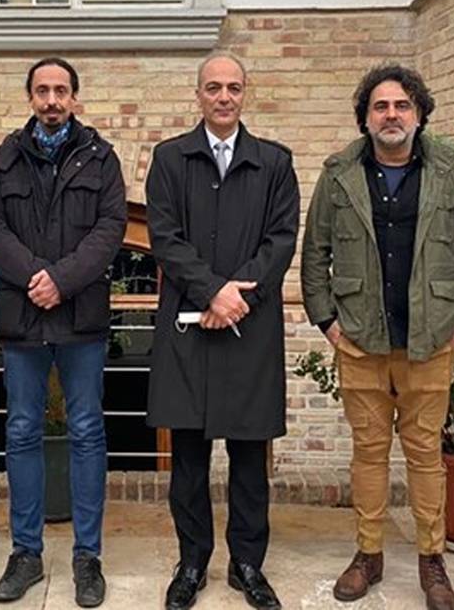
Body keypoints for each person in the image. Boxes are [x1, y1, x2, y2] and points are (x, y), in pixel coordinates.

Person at [301, 63, 454, 610]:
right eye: (380, 106)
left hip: (430, 340)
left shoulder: (449, 173)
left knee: (426, 454)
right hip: (360, 339)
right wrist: (327, 321)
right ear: (365, 117)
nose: (391, 115)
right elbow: (315, 253)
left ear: (419, 114)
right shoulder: (339, 174)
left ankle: (432, 559)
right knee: (368, 453)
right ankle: (369, 554)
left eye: (402, 105)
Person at [146, 53, 300, 610]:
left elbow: (281, 240)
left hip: (249, 329)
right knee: (188, 459)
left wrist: (237, 298)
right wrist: (212, 291)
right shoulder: (170, 159)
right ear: (199, 94)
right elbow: (164, 237)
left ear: (245, 93)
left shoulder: (274, 162)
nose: (224, 97)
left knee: (249, 457)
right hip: (189, 327)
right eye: (213, 87)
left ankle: (247, 564)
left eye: (233, 87)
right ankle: (192, 563)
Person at [0, 57, 126, 608]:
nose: (51, 100)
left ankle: (88, 558)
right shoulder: (6, 158)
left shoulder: (101, 158)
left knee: (86, 431)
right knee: (20, 431)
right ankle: (26, 554)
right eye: (42, 90)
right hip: (24, 318)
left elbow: (111, 228)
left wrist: (61, 281)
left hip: (80, 317)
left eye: (61, 90)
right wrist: (33, 277)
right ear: (30, 98)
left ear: (75, 98)